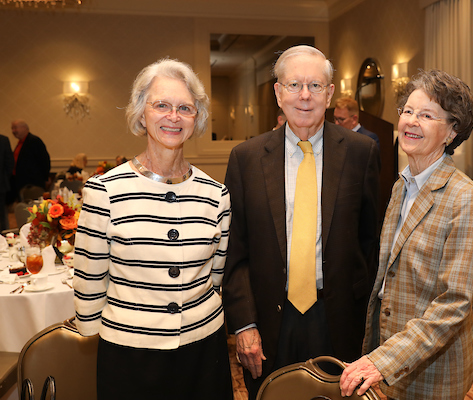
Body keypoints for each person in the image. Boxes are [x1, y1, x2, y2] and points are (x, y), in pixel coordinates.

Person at [223, 45, 381, 400]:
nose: (305, 95)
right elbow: (235, 251)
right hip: (268, 323)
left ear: (330, 93)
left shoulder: (361, 153)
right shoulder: (245, 159)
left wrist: (366, 323)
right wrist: (244, 324)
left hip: (338, 319)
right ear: (278, 93)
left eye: (315, 85)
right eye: (294, 85)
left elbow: (369, 242)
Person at [73, 58, 233, 400]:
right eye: (161, 105)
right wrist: (96, 336)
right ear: (141, 113)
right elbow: (89, 282)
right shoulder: (104, 191)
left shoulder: (216, 195)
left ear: (197, 119)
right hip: (129, 355)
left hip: (204, 350)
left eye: (185, 108)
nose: (173, 117)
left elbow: (215, 277)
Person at [339, 69, 473, 400]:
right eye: (407, 111)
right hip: (387, 348)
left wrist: (384, 361)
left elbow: (454, 303)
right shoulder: (401, 186)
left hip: (431, 370)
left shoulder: (465, 198)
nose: (410, 121)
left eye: (426, 115)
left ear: (452, 131)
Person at [9, 120, 51, 201]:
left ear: (24, 128)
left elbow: (44, 160)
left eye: (15, 128)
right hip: (21, 183)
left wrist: (46, 177)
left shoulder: (34, 141)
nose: (13, 131)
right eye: (12, 129)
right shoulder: (20, 143)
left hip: (32, 184)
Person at [0, 134, 13, 230]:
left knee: (2, 216)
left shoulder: (3, 140)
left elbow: (10, 163)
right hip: (1, 184)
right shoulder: (3, 140)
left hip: (1, 184)